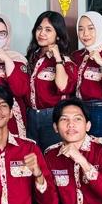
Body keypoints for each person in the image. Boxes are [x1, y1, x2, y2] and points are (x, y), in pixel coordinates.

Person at [25, 11, 76, 151]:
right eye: (39, 28)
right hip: (31, 115)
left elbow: (63, 87)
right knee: (33, 157)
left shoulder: (65, 61)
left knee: (52, 156)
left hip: (52, 116)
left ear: (58, 35)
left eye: (48, 30)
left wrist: (57, 58)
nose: (42, 33)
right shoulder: (31, 58)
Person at [72, 10, 102, 147]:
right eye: (81, 29)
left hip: (100, 112)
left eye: (91, 28)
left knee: (99, 151)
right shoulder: (77, 56)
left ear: (101, 29)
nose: (85, 34)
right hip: (78, 110)